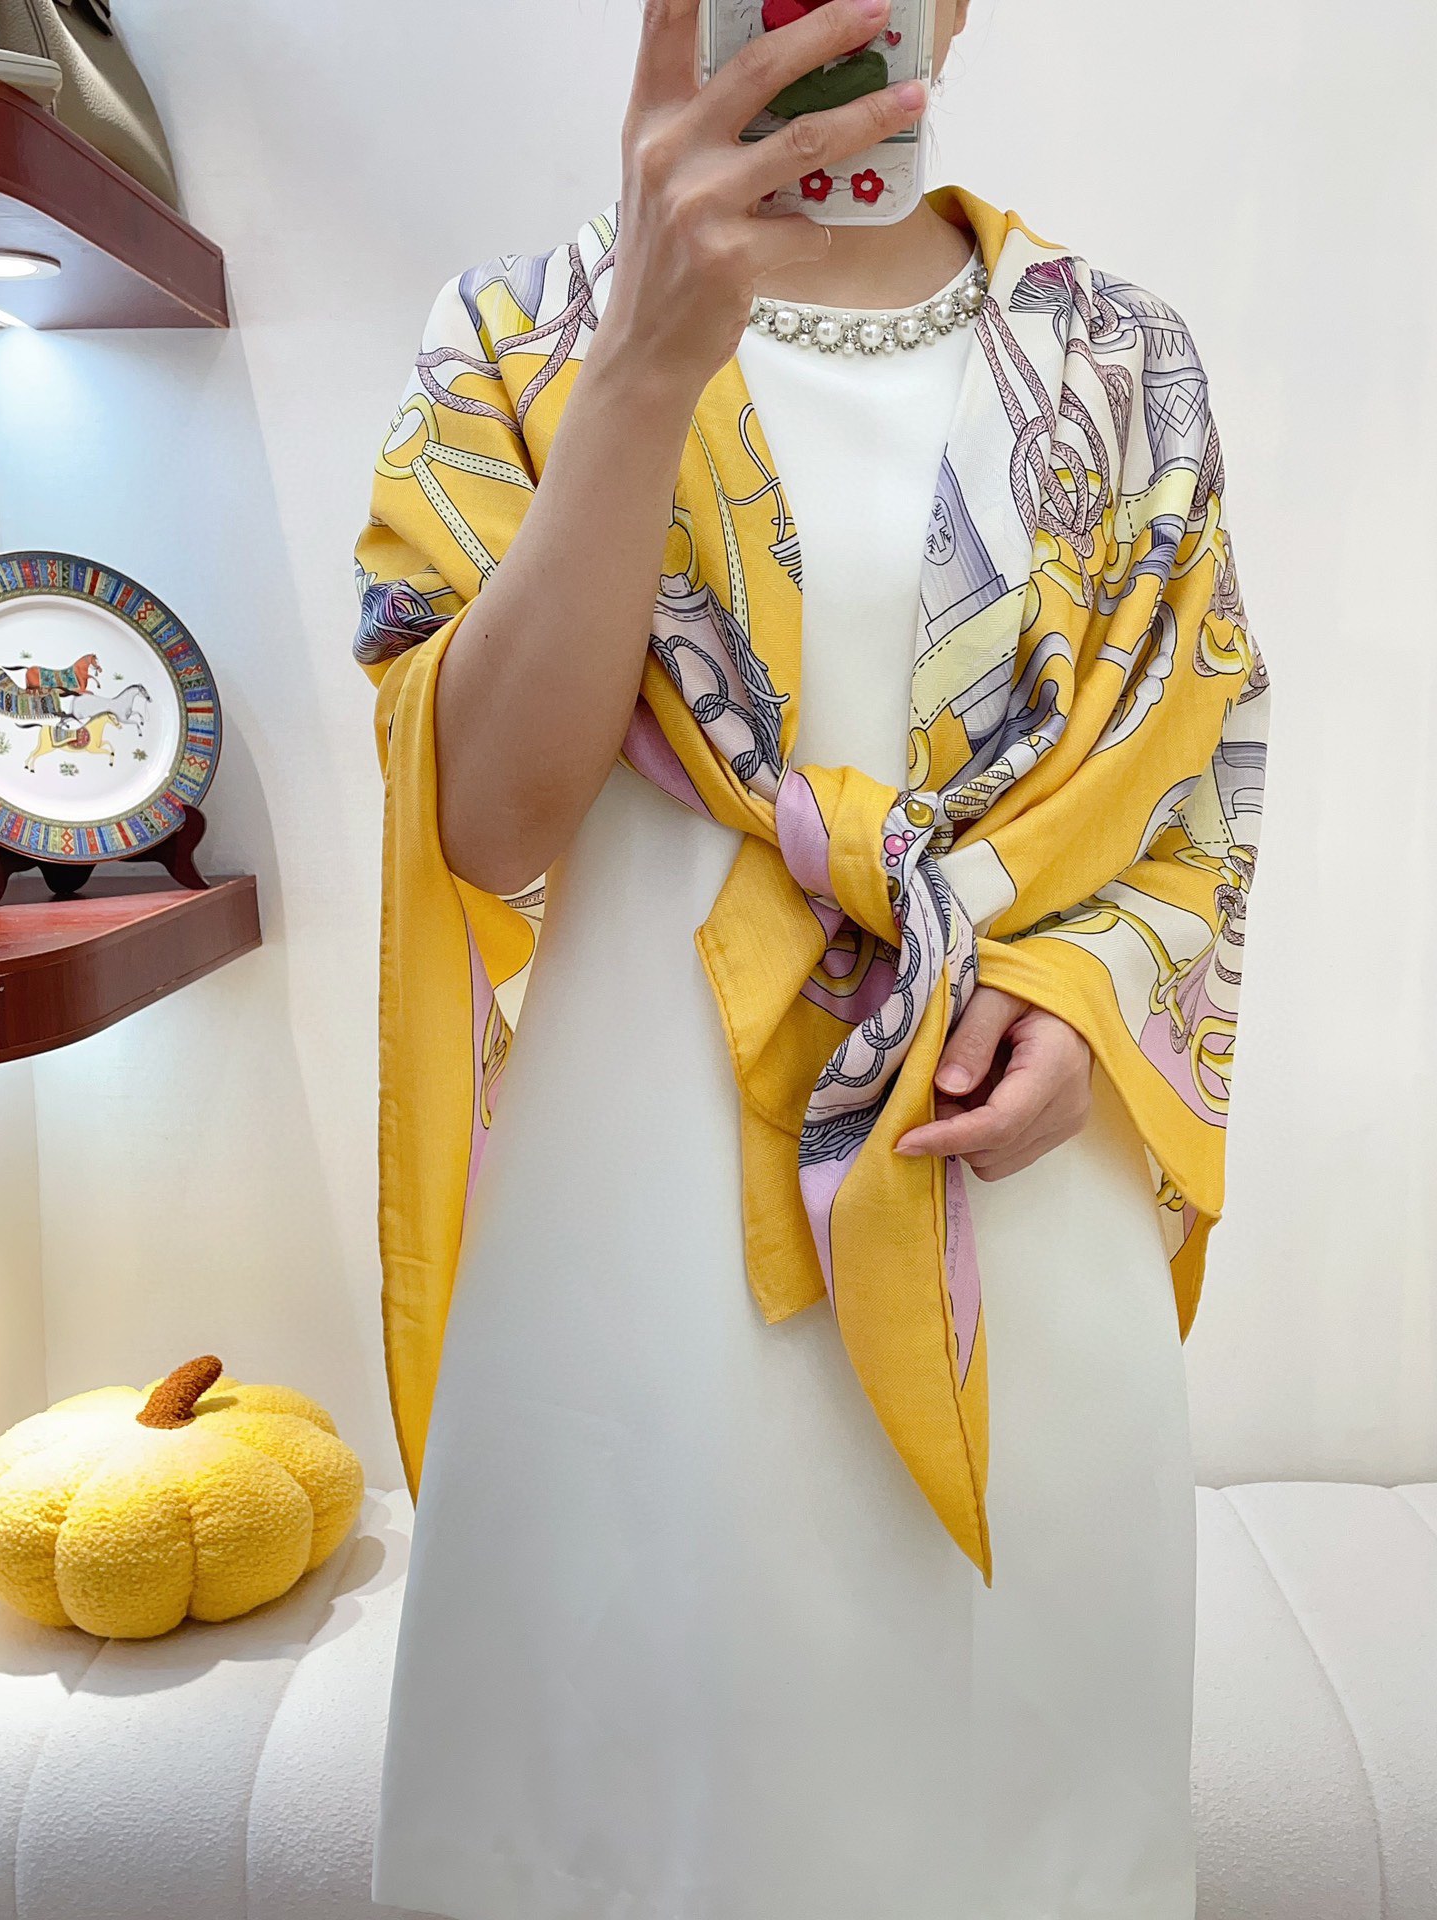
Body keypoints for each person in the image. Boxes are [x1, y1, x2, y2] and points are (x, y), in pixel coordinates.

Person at [351, 2, 1269, 1916]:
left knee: (1008, 1814)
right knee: (623, 1803)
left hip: (1008, 1215)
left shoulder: (1124, 363)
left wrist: (1086, 1001)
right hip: (630, 1241)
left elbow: (1192, 789)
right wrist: (645, 361)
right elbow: (485, 822)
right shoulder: (521, 336)